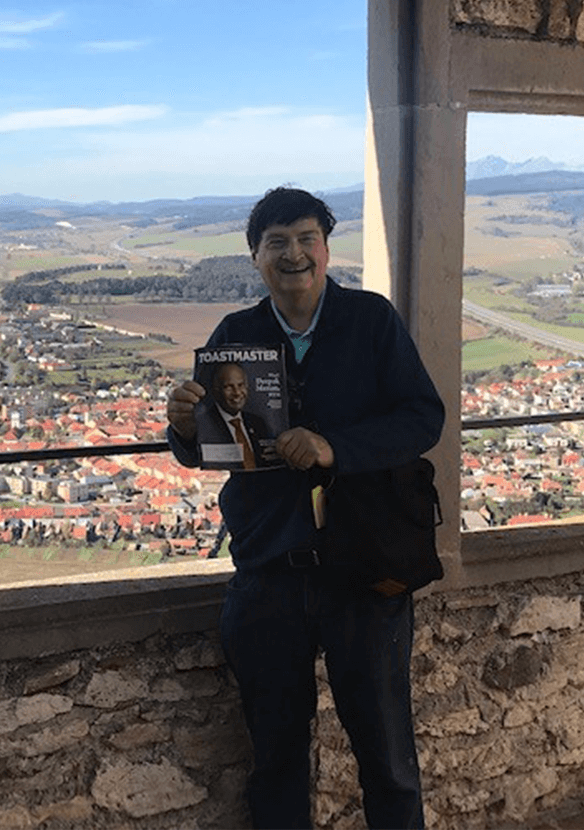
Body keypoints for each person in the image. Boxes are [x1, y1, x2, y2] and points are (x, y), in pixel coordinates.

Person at [167, 187, 444, 830]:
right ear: (255, 258)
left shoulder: (371, 320)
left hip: (363, 570)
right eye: (277, 243)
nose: (294, 254)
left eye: (306, 238)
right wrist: (181, 426)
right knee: (277, 760)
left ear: (326, 247)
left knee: (389, 759)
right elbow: (202, 450)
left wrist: (333, 448)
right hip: (270, 574)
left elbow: (422, 417)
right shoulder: (236, 334)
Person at [197, 361, 272, 469]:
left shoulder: (258, 422)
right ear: (216, 389)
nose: (237, 393)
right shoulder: (205, 422)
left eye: (241, 385)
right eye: (228, 387)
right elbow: (191, 457)